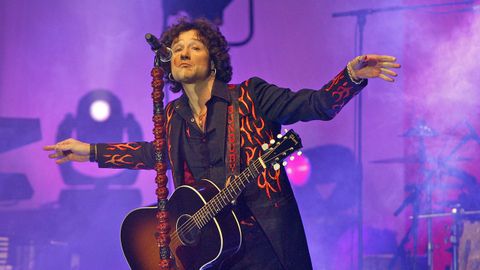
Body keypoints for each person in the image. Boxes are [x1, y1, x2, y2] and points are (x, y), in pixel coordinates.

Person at [44, 18, 400, 270]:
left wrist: (350, 77)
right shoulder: (172, 115)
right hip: (209, 250)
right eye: (177, 48)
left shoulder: (250, 96)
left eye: (194, 47)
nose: (183, 53)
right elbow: (155, 154)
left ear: (212, 60)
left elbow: (315, 105)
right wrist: (90, 152)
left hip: (265, 242)